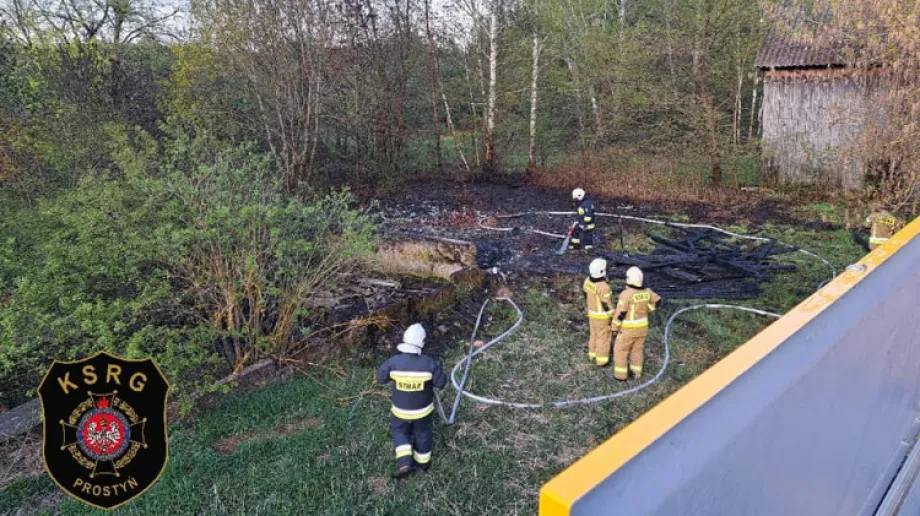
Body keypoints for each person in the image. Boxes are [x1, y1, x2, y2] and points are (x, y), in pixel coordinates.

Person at [376, 323, 447, 479]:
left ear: (404, 340)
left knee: (400, 431)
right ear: (422, 343)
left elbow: (380, 378)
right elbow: (441, 383)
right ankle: (423, 464)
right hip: (423, 412)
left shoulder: (393, 362)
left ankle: (404, 463)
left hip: (400, 412)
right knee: (423, 434)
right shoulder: (428, 363)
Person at [611, 267, 662, 382]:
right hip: (642, 329)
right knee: (637, 350)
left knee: (620, 351)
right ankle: (636, 374)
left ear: (628, 279)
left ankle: (620, 376)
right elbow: (658, 301)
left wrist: (614, 327)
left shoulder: (626, 294)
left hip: (628, 330)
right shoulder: (647, 292)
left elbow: (621, 313)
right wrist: (648, 310)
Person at [583, 258, 614, 366]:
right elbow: (606, 303)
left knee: (594, 334)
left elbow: (585, 293)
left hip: (592, 313)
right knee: (603, 338)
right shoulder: (603, 287)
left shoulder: (587, 281)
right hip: (601, 317)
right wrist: (612, 315)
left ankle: (592, 354)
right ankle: (602, 361)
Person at [569, 188, 596, 252]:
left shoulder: (587, 204)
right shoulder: (583, 203)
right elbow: (581, 214)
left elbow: (588, 217)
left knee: (587, 236)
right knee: (574, 230)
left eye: (576, 199)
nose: (576, 200)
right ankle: (576, 245)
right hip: (582, 223)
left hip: (588, 225)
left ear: (579, 196)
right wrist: (578, 221)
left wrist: (584, 224)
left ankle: (588, 248)